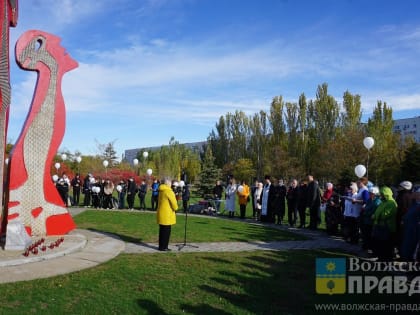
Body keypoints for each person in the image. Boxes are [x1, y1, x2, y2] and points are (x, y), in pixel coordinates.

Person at [371, 186, 398, 261]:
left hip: (387, 228)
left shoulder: (391, 203)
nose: (380, 196)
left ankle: (385, 261)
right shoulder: (383, 202)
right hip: (380, 226)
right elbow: (378, 211)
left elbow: (385, 215)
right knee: (380, 244)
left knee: (386, 246)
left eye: (382, 194)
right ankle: (381, 258)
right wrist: (375, 215)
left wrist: (375, 216)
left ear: (386, 194)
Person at [156, 178, 179, 251]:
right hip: (167, 214)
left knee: (162, 231)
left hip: (161, 213)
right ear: (168, 184)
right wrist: (176, 208)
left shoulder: (161, 190)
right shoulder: (169, 191)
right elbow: (174, 203)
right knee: (166, 232)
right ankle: (164, 247)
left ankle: (161, 246)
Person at [399, 186, 420, 261]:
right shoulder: (414, 204)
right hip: (409, 230)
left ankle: (413, 269)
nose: (412, 194)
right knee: (407, 248)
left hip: (415, 231)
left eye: (414, 192)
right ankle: (409, 265)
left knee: (414, 250)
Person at [360, 186, 381, 251]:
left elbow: (373, 211)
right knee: (365, 234)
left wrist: (365, 211)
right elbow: (366, 207)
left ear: (374, 194)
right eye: (369, 193)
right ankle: (366, 246)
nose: (369, 194)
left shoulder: (377, 201)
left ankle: (370, 247)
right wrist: (365, 210)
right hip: (366, 220)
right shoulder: (369, 200)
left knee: (371, 235)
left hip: (372, 221)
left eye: (371, 193)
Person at [396, 181, 414, 253]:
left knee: (401, 237)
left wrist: (401, 219)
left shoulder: (403, 196)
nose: (399, 187)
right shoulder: (409, 195)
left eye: (400, 186)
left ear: (404, 188)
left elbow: (403, 209)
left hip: (402, 220)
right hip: (405, 219)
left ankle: (402, 253)